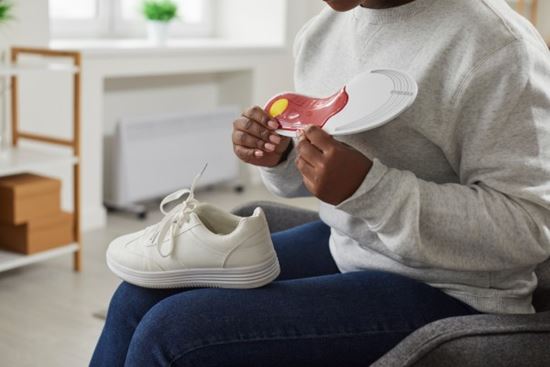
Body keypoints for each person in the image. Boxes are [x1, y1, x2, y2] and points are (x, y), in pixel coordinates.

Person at [91, 0, 550, 365]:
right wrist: (282, 156)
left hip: (453, 289)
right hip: (347, 245)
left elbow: (531, 227)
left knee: (174, 332)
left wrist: (371, 190)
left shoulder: (494, 45)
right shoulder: (322, 34)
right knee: (141, 292)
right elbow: (302, 182)